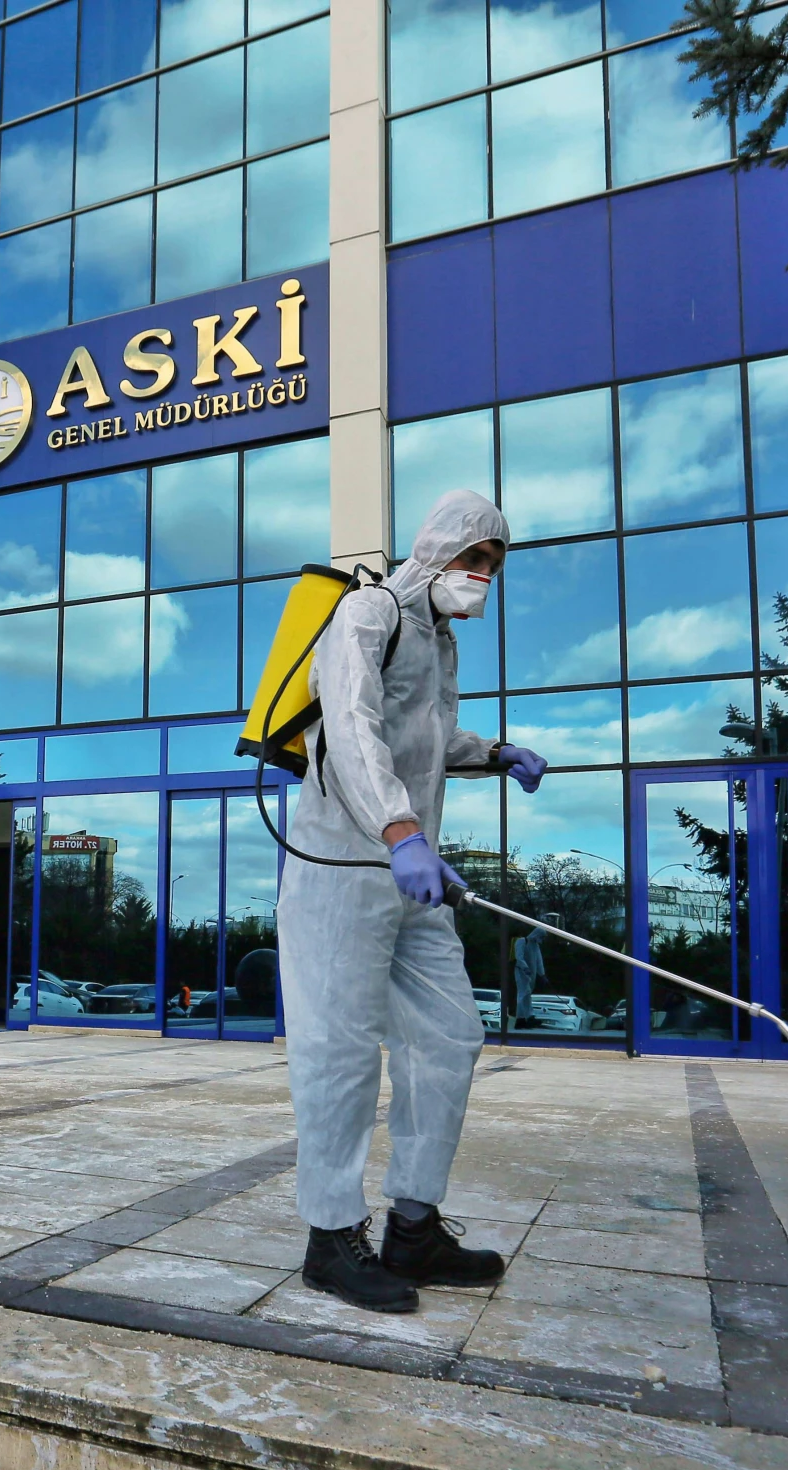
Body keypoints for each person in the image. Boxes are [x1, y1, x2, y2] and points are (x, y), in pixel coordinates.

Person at [278, 489, 551, 1313]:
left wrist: (495, 752)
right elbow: (354, 725)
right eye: (476, 560)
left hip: (411, 874)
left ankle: (414, 1227)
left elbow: (423, 740)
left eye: (494, 568)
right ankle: (330, 1240)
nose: (482, 580)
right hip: (342, 865)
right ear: (437, 547)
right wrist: (400, 831)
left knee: (451, 1036)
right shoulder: (368, 612)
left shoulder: (438, 642)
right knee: (341, 1053)